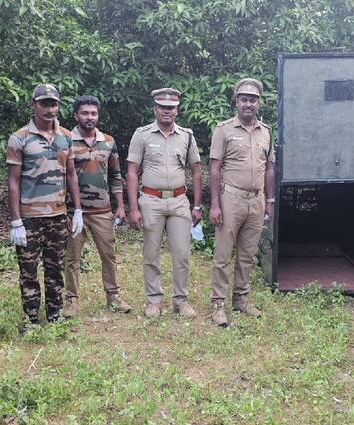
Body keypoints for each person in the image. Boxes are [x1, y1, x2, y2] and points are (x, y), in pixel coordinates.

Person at [7, 83, 83, 331]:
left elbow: (71, 174)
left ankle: (55, 315)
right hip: (30, 217)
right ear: (34, 105)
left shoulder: (66, 137)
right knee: (28, 271)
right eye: (45, 103)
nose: (50, 109)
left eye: (54, 103)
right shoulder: (20, 138)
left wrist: (77, 209)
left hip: (58, 216)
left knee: (54, 269)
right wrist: (16, 220)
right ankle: (31, 320)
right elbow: (14, 181)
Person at [126, 88, 203, 318]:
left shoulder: (187, 136)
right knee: (151, 253)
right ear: (155, 109)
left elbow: (197, 172)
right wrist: (133, 208)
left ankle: (181, 301)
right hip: (151, 200)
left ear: (177, 110)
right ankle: (154, 301)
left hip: (179, 201)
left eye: (171, 108)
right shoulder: (142, 135)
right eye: (162, 107)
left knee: (182, 254)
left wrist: (197, 205)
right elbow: (132, 171)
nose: (166, 111)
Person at [208, 78, 275, 326]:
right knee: (223, 254)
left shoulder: (265, 132)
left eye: (253, 99)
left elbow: (269, 168)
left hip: (256, 200)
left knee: (247, 254)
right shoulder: (223, 130)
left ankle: (241, 299)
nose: (248, 103)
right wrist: (214, 204)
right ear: (236, 102)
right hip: (231, 198)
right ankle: (218, 303)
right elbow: (214, 169)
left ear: (259, 103)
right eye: (244, 99)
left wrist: (270, 200)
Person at [63, 95, 131, 317]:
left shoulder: (108, 142)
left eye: (93, 113)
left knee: (108, 255)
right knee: (72, 258)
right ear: (76, 115)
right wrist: (64, 211)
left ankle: (113, 296)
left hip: (102, 210)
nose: (89, 117)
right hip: (75, 212)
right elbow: (61, 177)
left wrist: (120, 206)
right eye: (85, 113)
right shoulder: (65, 140)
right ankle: (71, 300)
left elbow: (115, 176)